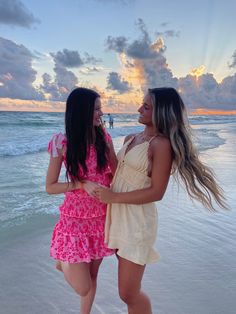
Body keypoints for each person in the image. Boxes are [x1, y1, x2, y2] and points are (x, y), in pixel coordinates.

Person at [95, 87, 227, 314]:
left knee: (128, 293)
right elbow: (120, 174)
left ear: (161, 113)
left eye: (146, 106)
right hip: (118, 216)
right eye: (142, 104)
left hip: (137, 220)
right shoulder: (132, 138)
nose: (139, 109)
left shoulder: (161, 144)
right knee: (128, 290)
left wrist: (114, 196)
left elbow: (157, 192)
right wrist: (108, 149)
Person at [46, 87, 117, 314]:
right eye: (96, 109)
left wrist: (112, 151)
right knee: (83, 285)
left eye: (100, 108)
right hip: (74, 221)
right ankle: (63, 261)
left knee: (92, 276)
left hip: (100, 218)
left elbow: (115, 172)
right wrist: (81, 184)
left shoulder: (103, 138)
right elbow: (50, 187)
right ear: (82, 111)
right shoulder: (62, 142)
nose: (101, 113)